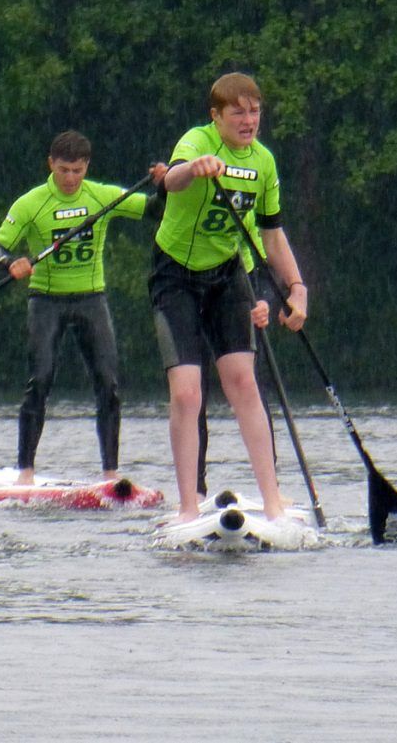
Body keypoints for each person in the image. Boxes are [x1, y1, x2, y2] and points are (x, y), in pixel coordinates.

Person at [150, 72, 308, 523]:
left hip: (228, 275)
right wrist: (192, 169)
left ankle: (274, 501)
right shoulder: (197, 140)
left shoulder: (264, 163)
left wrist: (297, 289)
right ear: (216, 116)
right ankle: (186, 507)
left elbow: (273, 237)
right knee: (186, 394)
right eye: (237, 111)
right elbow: (171, 180)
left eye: (254, 110)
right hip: (174, 275)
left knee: (243, 382)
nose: (248, 120)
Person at [0, 130, 165, 485]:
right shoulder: (31, 203)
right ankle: (25, 471)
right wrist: (11, 263)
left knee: (108, 383)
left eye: (78, 170)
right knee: (40, 380)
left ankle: (110, 472)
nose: (71, 179)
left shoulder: (100, 194)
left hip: (91, 299)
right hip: (46, 301)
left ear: (87, 167)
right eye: (64, 170)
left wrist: (163, 185)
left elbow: (154, 210)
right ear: (51, 164)